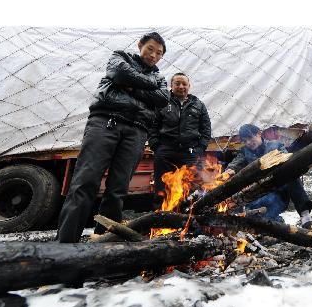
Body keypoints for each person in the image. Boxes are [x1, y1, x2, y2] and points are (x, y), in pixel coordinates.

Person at [56, 32, 169, 242]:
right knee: (86, 181)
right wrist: (145, 86)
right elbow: (119, 74)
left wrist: (132, 86)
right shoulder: (121, 58)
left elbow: (162, 98)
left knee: (118, 188)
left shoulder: (160, 78)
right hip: (106, 122)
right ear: (140, 46)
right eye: (150, 49)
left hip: (137, 131)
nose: (153, 55)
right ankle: (65, 243)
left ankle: (104, 242)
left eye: (159, 53)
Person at [224, 124, 312, 229]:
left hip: (279, 193)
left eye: (250, 137)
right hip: (259, 196)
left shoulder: (275, 145)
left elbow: (287, 160)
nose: (248, 143)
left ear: (259, 133)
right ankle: (275, 222)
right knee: (264, 221)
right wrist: (229, 171)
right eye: (245, 141)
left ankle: (305, 217)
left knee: (291, 173)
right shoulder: (244, 152)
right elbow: (236, 163)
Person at [148, 73, 211, 206]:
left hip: (190, 153)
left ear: (189, 86)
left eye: (184, 84)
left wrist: (200, 149)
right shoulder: (162, 102)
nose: (181, 86)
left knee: (190, 189)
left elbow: (206, 130)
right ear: (171, 86)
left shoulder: (198, 105)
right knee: (162, 189)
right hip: (165, 152)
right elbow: (152, 125)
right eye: (177, 83)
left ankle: (187, 219)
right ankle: (160, 218)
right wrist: (156, 146)